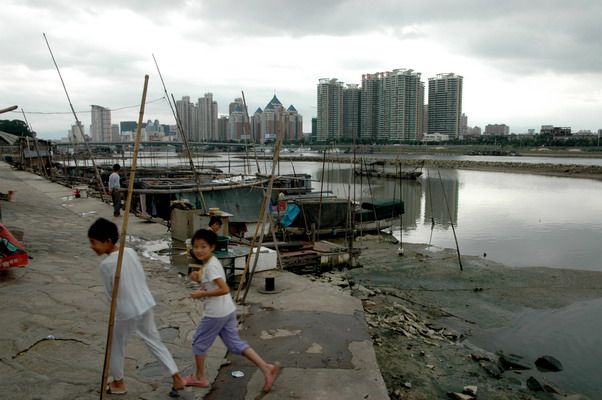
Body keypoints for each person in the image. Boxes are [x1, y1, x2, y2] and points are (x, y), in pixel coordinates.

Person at [88, 217, 186, 395]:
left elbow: (111, 295)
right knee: (154, 341)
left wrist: (115, 314)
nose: (92, 247)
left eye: (94, 242)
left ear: (107, 241)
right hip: (145, 303)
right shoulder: (130, 252)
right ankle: (176, 376)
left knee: (115, 346)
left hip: (127, 311)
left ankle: (119, 384)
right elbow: (141, 277)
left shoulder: (106, 265)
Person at [186, 229, 280, 392]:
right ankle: (267, 368)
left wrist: (203, 293)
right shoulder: (210, 262)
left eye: (203, 246)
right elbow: (212, 280)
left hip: (216, 314)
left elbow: (224, 289)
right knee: (236, 344)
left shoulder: (210, 266)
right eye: (196, 246)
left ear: (212, 247)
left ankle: (199, 378)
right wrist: (198, 277)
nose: (199, 250)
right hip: (227, 310)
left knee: (199, 343)